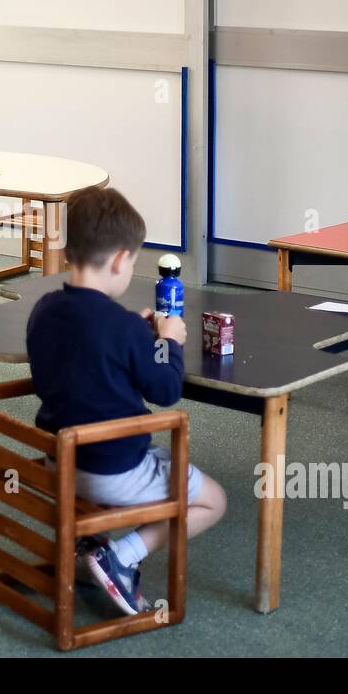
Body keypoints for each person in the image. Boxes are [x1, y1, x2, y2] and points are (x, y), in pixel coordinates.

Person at [25, 186, 226, 616]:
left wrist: (133, 335)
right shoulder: (124, 329)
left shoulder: (43, 309)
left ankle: (87, 552)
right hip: (108, 470)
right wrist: (166, 343)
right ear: (119, 259)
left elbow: (83, 352)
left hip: (56, 462)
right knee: (213, 499)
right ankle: (121, 555)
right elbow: (166, 391)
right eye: (132, 261)